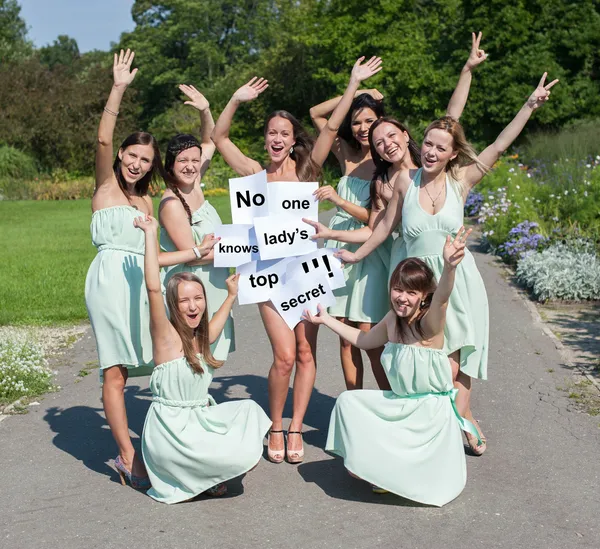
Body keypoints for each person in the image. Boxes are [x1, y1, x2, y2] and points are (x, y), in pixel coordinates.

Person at [335, 72, 559, 456]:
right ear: (418, 145)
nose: (432, 151)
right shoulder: (405, 180)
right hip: (415, 286)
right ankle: (431, 430)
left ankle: (463, 413)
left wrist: (529, 106)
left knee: (456, 363)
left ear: (453, 152)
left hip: (458, 283)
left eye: (441, 147)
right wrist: (355, 254)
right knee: (426, 364)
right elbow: (385, 226)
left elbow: (499, 145)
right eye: (428, 144)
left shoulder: (462, 181)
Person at [210, 59, 380, 464]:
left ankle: (295, 426)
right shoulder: (253, 173)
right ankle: (275, 424)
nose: (278, 138)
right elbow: (219, 137)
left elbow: (331, 127)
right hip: (266, 276)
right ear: (266, 138)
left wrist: (354, 82)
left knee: (306, 355)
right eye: (272, 132)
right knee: (284, 357)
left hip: (306, 272)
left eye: (285, 133)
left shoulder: (308, 171)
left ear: (292, 140)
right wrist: (235, 98)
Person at [305, 33, 488, 391]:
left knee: (450, 337)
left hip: (443, 259)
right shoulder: (383, 179)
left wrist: (467, 71)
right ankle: (389, 402)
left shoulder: (428, 161)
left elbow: (452, 117)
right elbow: (379, 227)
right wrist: (336, 238)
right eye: (377, 143)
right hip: (403, 258)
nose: (384, 145)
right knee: (401, 337)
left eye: (387, 137)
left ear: (403, 134)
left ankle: (449, 409)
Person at [85, 50, 215, 489]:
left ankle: (178, 443)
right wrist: (118, 87)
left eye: (145, 159)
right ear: (122, 154)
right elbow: (102, 140)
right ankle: (127, 454)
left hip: (145, 281)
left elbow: (203, 154)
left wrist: (195, 252)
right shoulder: (106, 186)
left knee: (162, 363)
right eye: (132, 155)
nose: (137, 163)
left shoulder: (148, 200)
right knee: (115, 368)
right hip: (108, 282)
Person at [303, 228, 481, 506]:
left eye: (411, 292)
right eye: (398, 289)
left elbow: (443, 298)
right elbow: (363, 340)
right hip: (401, 405)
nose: (402, 297)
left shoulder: (429, 324)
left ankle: (397, 471)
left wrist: (449, 267)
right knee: (349, 401)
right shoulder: (391, 320)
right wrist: (326, 320)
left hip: (428, 414)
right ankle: (387, 469)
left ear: (424, 296)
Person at [135, 215, 271, 503]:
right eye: (184, 301)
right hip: (172, 434)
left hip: (198, 422)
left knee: (248, 411)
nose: (193, 306)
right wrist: (150, 233)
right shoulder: (166, 336)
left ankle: (205, 473)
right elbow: (152, 287)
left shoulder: (199, 337)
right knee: (231, 450)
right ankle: (199, 472)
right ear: (173, 304)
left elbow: (214, 329)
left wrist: (231, 295)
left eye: (198, 298)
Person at [159, 84, 234, 361]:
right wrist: (240, 250)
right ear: (170, 166)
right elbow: (191, 256)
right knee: (194, 354)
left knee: (210, 355)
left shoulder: (195, 186)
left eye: (195, 160)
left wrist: (205, 110)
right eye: (183, 161)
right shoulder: (172, 203)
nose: (191, 166)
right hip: (192, 285)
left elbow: (211, 140)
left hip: (212, 281)